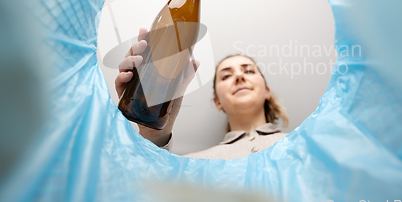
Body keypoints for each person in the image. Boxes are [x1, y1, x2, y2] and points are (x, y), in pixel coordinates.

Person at [115, 28, 289, 160]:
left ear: (267, 91)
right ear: (217, 101)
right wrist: (152, 137)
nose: (239, 76)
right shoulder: (193, 163)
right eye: (226, 76)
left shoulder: (307, 142)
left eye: (249, 71)